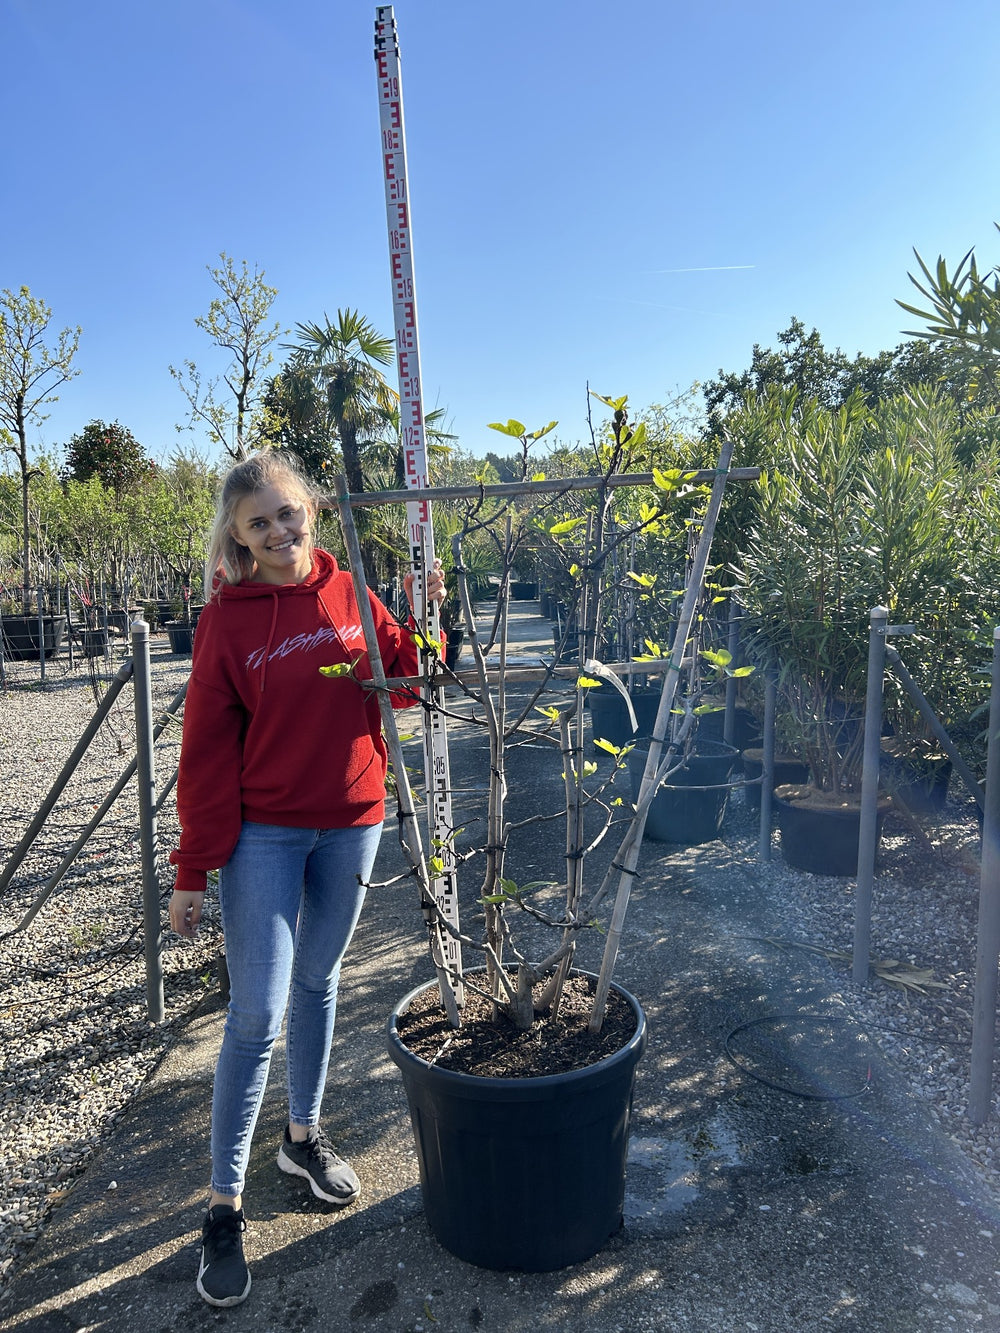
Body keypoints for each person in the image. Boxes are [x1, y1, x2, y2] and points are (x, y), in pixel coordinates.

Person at [168, 450, 444, 1309]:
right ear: (239, 537)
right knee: (255, 1012)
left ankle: (302, 1135)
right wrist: (192, 867)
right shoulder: (229, 620)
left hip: (354, 821)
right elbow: (206, 748)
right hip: (268, 833)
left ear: (312, 510)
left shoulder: (351, 588)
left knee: (321, 981)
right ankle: (223, 1205)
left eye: (288, 513)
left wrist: (430, 621)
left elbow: (405, 681)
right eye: (260, 523)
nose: (280, 532)